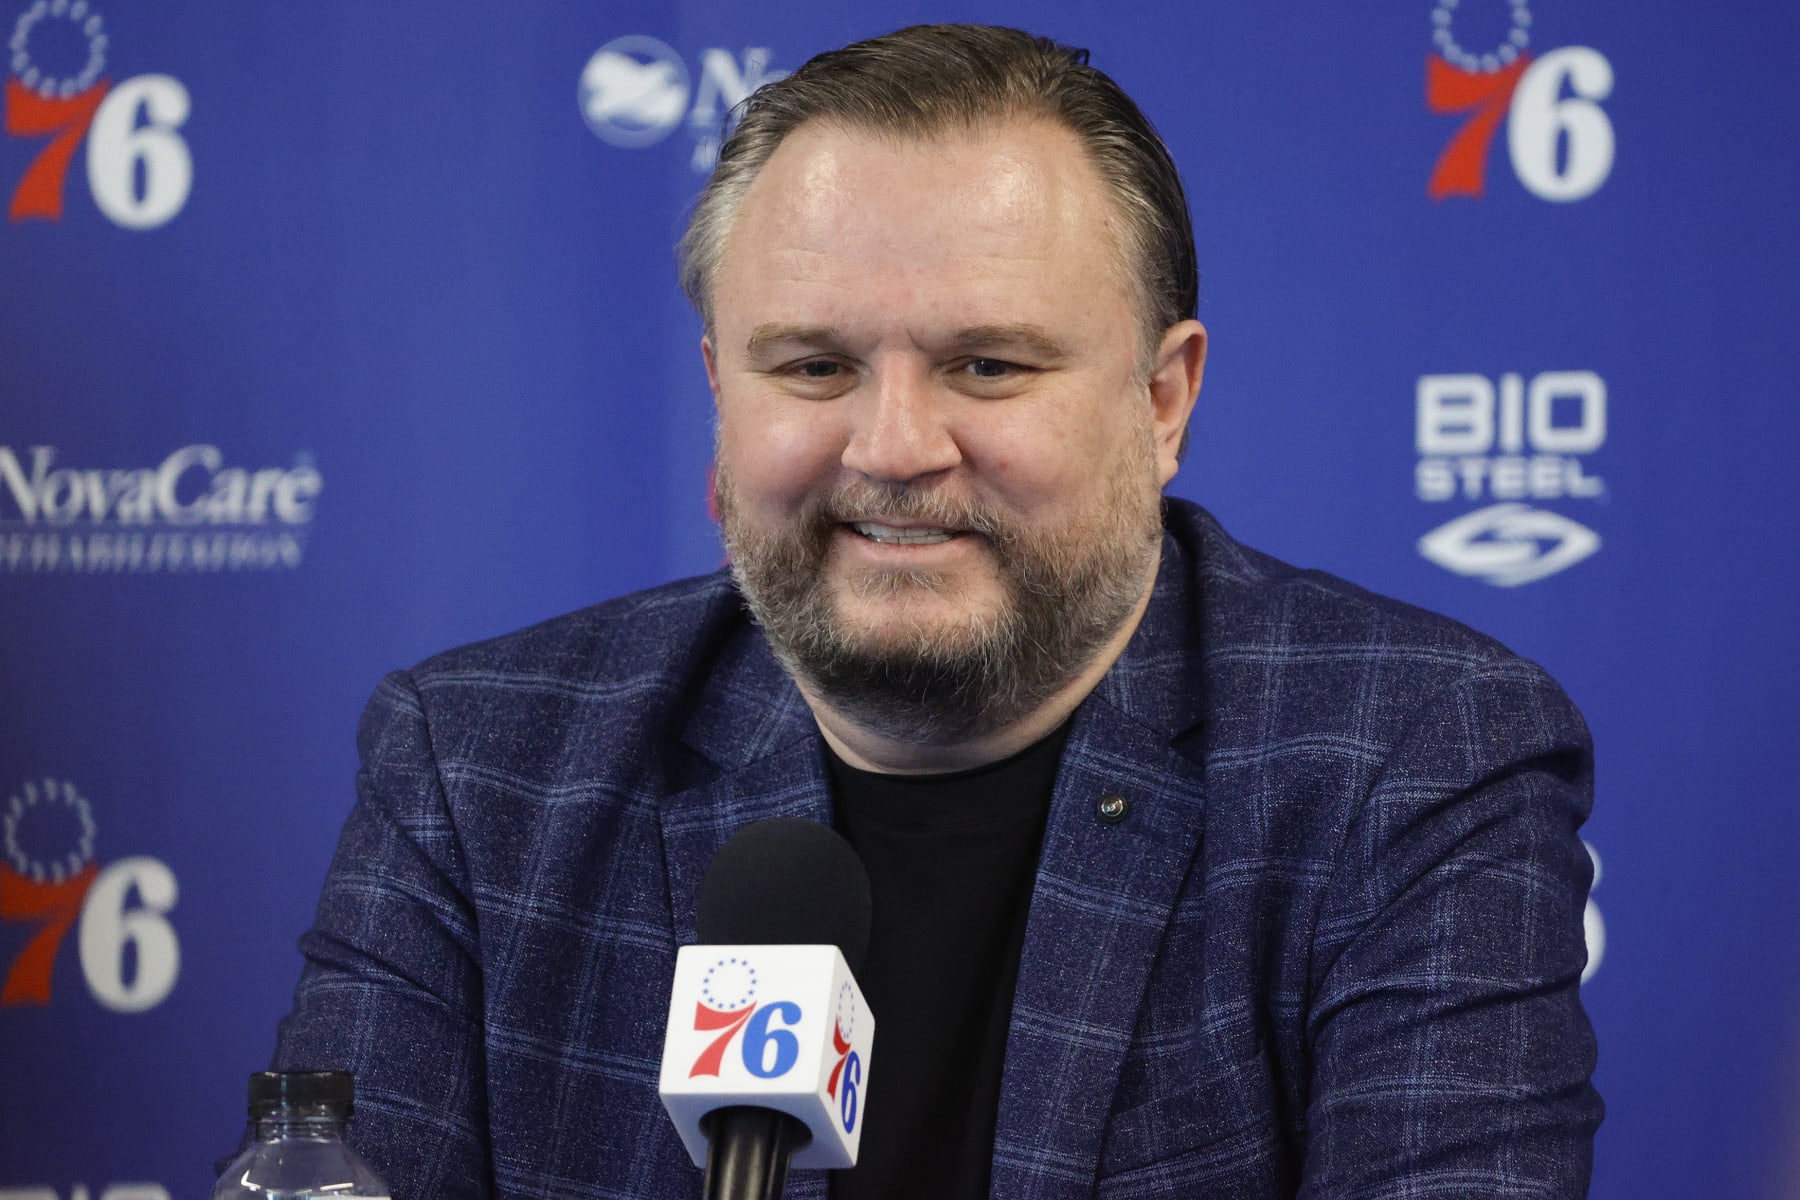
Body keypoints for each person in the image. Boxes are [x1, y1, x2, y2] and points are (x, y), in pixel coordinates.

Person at [273, 23, 1602, 1200]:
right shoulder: (475, 769)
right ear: (722, 400)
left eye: (987, 363)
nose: (894, 446)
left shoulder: (1413, 760)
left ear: (1163, 402)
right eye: (813, 365)